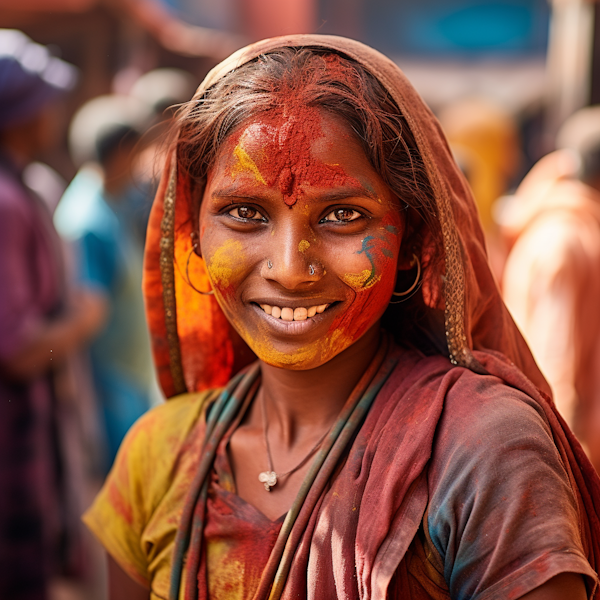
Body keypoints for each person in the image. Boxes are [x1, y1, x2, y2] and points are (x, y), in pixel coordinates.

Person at [83, 35, 600, 600]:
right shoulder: (159, 455)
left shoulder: (480, 452)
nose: (288, 269)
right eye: (245, 213)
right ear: (194, 237)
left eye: (343, 215)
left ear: (412, 241)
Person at [0, 30, 107, 599]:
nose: (54, 111)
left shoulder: (27, 187)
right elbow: (19, 353)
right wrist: (81, 325)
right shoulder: (8, 203)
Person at [54, 94, 161, 470]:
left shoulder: (111, 200)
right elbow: (89, 309)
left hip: (128, 371)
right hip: (109, 378)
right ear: (120, 153)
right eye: (137, 153)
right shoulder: (86, 222)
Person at [502, 106, 600, 475]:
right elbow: (552, 364)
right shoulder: (562, 240)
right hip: (557, 451)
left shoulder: (575, 229)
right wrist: (561, 472)